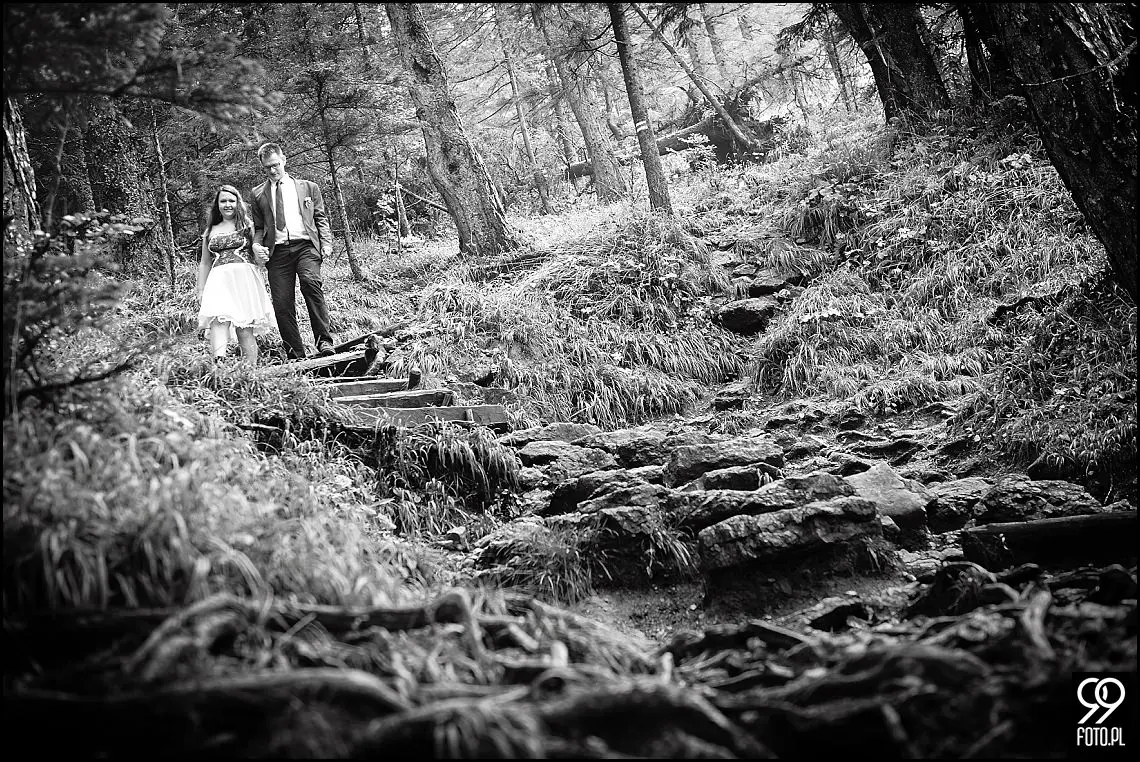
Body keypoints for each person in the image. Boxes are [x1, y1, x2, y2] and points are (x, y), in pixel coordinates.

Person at [250, 142, 336, 360]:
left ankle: (324, 341)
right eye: (267, 167)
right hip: (277, 253)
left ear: (284, 160)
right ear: (262, 166)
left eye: (275, 165)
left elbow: (320, 218)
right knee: (282, 303)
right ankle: (295, 354)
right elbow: (259, 228)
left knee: (310, 283)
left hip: (305, 246)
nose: (272, 170)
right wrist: (256, 245)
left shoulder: (308, 187)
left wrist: (326, 242)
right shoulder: (258, 194)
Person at [196, 185, 276, 365]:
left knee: (244, 326)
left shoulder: (248, 226)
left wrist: (262, 257)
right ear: (217, 205)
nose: (227, 205)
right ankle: (219, 363)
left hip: (244, 279)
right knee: (218, 320)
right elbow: (205, 262)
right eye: (223, 201)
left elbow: (259, 250)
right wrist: (201, 289)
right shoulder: (210, 231)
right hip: (218, 280)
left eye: (231, 201)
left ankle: (250, 370)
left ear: (238, 203)